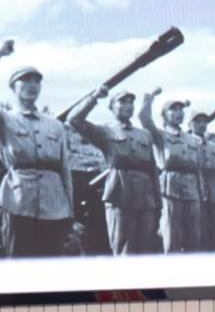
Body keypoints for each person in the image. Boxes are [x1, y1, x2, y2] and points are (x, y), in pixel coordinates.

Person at [0, 39, 74, 257]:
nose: (32, 85)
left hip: (54, 206)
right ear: (13, 88)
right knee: (18, 262)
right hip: (18, 203)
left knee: (52, 264)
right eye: (25, 80)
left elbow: (65, 170)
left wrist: (69, 210)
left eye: (36, 81)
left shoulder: (55, 125)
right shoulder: (3, 119)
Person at [68, 85, 161, 254]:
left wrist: (158, 202)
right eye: (122, 102)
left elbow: (152, 169)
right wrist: (93, 98)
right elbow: (74, 120)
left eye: (131, 102)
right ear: (111, 107)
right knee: (123, 245)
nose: (128, 106)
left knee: (146, 248)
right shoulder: (106, 131)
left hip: (146, 197)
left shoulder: (144, 135)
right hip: (120, 194)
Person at [139, 90, 202, 253]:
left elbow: (198, 167)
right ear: (164, 115)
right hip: (170, 189)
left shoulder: (191, 139)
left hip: (192, 189)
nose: (178, 113)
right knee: (172, 235)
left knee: (194, 236)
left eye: (181, 109)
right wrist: (149, 99)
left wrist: (200, 192)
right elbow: (144, 118)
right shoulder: (160, 135)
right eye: (173, 109)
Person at [189, 111, 215, 252]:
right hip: (195, 191)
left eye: (204, 121)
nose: (201, 125)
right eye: (197, 121)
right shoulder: (188, 143)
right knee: (199, 231)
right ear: (190, 124)